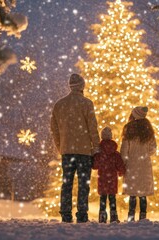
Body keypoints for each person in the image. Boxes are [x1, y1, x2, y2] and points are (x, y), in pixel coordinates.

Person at [50, 73, 100, 223]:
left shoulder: (59, 105)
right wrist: (96, 147)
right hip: (84, 151)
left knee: (67, 183)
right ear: (82, 86)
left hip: (67, 151)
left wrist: (60, 146)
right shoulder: (86, 103)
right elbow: (92, 128)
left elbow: (55, 129)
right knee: (83, 183)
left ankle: (65, 214)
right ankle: (82, 214)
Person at [120, 106, 157, 222]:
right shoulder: (148, 131)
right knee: (142, 195)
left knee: (132, 194)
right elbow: (153, 149)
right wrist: (144, 154)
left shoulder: (128, 130)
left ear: (134, 115)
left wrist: (124, 163)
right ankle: (143, 217)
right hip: (145, 165)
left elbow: (124, 150)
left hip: (131, 165)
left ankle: (131, 217)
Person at [93, 127, 126, 223]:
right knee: (112, 198)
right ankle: (113, 216)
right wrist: (121, 172)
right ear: (111, 137)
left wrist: (94, 157)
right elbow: (120, 165)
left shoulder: (99, 153)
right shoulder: (115, 154)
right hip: (112, 180)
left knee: (103, 198)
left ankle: (102, 216)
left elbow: (94, 166)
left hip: (102, 179)